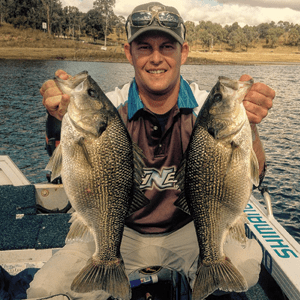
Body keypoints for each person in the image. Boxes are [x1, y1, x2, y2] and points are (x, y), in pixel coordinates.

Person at [27, 2, 275, 299]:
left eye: (166, 47)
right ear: (128, 52)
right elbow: (58, 162)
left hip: (191, 228)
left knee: (244, 270)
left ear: (183, 52)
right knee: (45, 289)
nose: (156, 58)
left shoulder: (206, 109)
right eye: (144, 47)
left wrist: (250, 127)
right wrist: (57, 118)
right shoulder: (108, 110)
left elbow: (255, 174)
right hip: (118, 227)